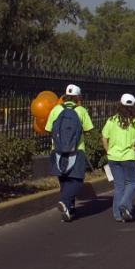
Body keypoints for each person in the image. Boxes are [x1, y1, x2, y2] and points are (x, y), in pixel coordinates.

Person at [45, 84, 94, 222]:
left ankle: (69, 210)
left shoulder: (56, 109)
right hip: (77, 151)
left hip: (57, 151)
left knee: (65, 181)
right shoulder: (81, 111)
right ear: (78, 97)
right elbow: (89, 129)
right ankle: (65, 202)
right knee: (77, 180)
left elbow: (48, 129)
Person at [101, 94, 135, 222]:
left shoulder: (111, 120)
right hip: (128, 157)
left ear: (120, 104)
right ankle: (124, 204)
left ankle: (117, 215)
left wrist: (108, 151)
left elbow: (104, 137)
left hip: (113, 157)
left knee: (119, 186)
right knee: (132, 183)